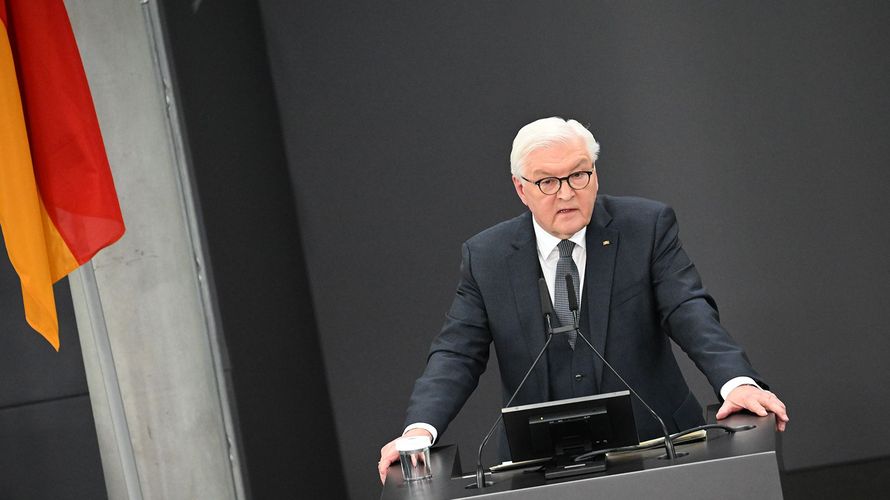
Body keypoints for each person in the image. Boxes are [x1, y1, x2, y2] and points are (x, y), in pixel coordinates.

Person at [378, 117, 788, 483]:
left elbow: (688, 310)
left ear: (595, 174)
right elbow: (456, 353)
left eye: (578, 175)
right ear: (521, 189)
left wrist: (735, 381)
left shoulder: (645, 227)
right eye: (547, 182)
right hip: (540, 466)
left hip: (660, 445)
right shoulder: (487, 257)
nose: (566, 193)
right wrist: (419, 430)